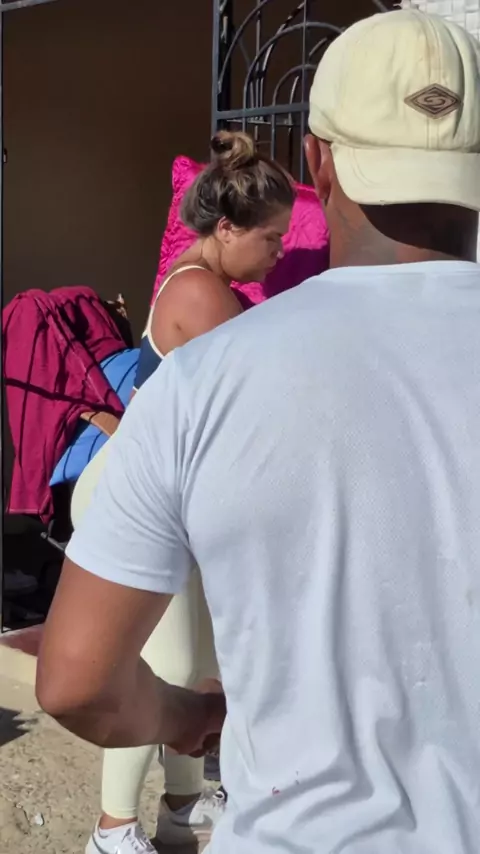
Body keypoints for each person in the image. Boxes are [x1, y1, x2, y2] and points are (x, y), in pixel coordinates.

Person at [36, 9, 480, 853]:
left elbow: (77, 681)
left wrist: (186, 716)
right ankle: (125, 825)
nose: (278, 253)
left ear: (318, 160)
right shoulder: (209, 321)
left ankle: (149, 818)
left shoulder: (216, 374)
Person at [69, 130, 294, 854]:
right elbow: (263, 397)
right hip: (136, 498)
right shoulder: (200, 292)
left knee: (194, 663)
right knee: (163, 666)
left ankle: (181, 808)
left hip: (173, 499)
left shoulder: (204, 281)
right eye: (270, 237)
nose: (280, 251)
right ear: (226, 229)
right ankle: (112, 830)